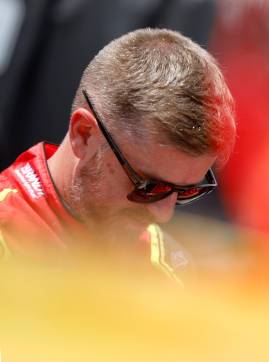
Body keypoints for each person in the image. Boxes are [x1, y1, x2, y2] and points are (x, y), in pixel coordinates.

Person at [0, 28, 236, 281]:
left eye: (187, 192)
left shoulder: (169, 267)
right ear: (85, 134)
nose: (163, 214)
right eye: (148, 187)